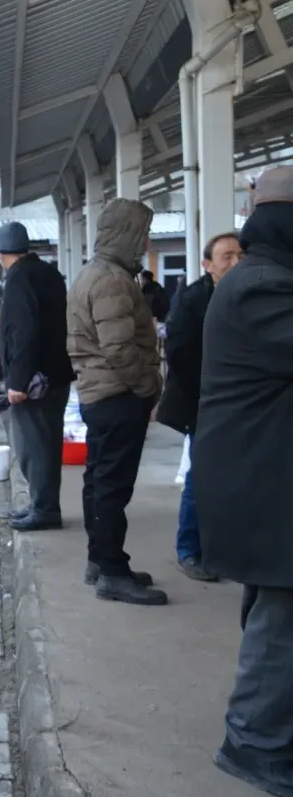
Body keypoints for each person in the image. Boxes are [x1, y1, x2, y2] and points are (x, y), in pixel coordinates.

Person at [195, 166, 293, 797]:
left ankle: (267, 726)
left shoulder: (263, 277)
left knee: (275, 605)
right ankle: (253, 742)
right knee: (284, 615)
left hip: (263, 473)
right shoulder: (262, 284)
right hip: (261, 478)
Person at [66, 198, 164, 606]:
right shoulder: (111, 280)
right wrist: (148, 387)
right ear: (127, 235)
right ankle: (111, 571)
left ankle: (103, 561)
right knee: (111, 487)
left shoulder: (99, 273)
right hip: (117, 397)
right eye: (142, 235)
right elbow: (120, 347)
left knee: (100, 482)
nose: (145, 243)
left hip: (102, 395)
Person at [156, 231, 241, 582]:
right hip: (204, 404)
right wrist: (212, 390)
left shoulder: (250, 295)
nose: (237, 262)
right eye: (227, 257)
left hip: (245, 403)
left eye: (241, 255)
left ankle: (232, 549)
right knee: (200, 476)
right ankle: (189, 550)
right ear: (208, 265)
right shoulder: (192, 300)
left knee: (243, 477)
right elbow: (180, 355)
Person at [0, 221, 75, 532]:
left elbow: (25, 334)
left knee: (33, 448)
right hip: (56, 374)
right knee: (48, 444)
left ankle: (43, 510)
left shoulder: (18, 278)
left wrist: (17, 383)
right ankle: (44, 504)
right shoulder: (50, 273)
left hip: (34, 381)